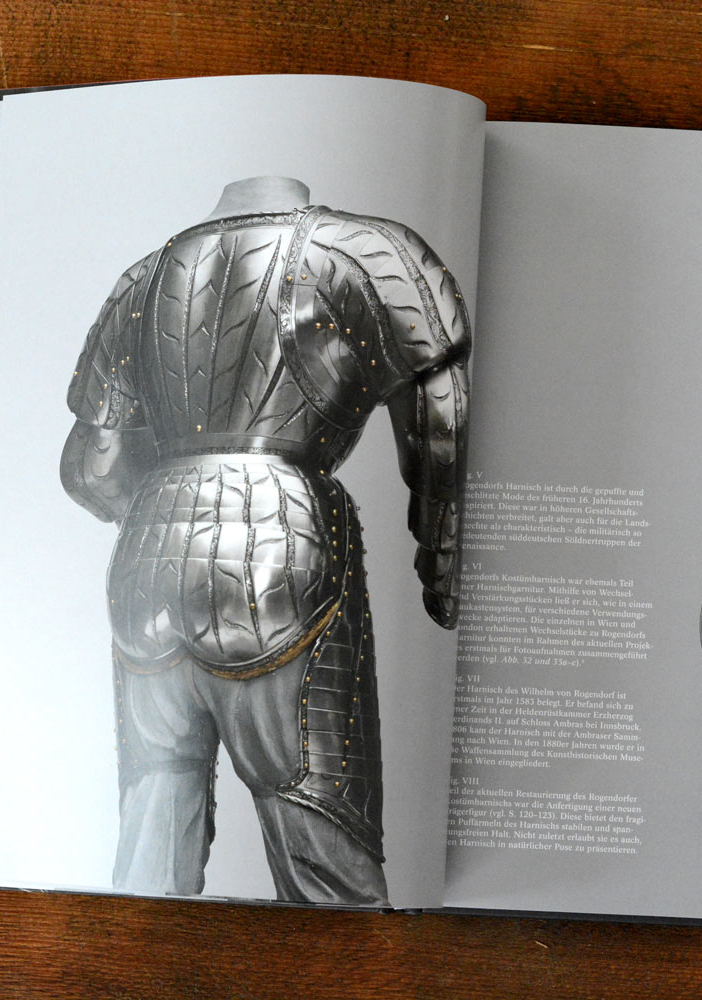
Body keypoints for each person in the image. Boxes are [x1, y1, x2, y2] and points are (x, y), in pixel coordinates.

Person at [60, 176, 470, 904]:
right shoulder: (362, 249)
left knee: (149, 859)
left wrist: (163, 514)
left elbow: (90, 467)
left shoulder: (142, 281)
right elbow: (441, 409)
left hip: (146, 568)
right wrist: (440, 559)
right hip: (281, 550)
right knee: (325, 870)